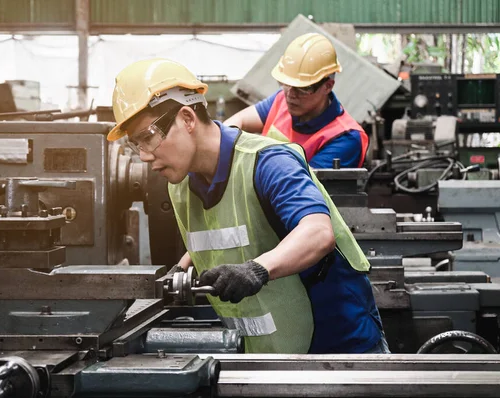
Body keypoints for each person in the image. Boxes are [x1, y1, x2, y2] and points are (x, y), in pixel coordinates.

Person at [107, 58, 388, 354]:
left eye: (147, 138)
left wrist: (257, 270)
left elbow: (318, 233)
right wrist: (182, 267)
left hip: (339, 349)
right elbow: (225, 229)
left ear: (188, 119)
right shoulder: (181, 185)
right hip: (267, 355)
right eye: (135, 145)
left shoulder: (268, 163)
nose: (144, 156)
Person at [225, 33, 369, 169]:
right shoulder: (281, 100)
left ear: (327, 86)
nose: (291, 94)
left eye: (303, 88)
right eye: (286, 83)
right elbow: (239, 121)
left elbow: (298, 187)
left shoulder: (345, 138)